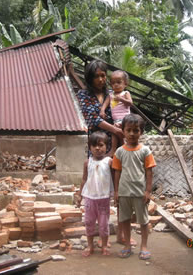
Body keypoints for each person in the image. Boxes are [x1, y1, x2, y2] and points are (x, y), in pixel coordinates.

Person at [76, 60, 136, 247]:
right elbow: (92, 118)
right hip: (97, 150)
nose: (101, 79)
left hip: (117, 149)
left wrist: (121, 132)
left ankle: (120, 234)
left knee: (119, 190)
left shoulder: (113, 94)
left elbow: (124, 112)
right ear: (90, 77)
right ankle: (100, 237)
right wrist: (117, 130)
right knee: (97, 192)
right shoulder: (84, 94)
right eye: (97, 76)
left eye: (103, 76)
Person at [112, 114, 156, 260]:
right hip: (124, 193)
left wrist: (148, 191)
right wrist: (116, 191)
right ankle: (127, 245)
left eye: (135, 130)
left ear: (141, 132)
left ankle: (144, 246)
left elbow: (149, 172)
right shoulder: (119, 152)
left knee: (143, 221)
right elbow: (117, 172)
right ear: (123, 131)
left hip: (139, 193)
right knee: (124, 219)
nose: (131, 134)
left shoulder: (145, 151)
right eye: (128, 130)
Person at [77, 131, 113, 257]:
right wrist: (80, 194)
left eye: (101, 145)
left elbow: (115, 178)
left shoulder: (109, 162)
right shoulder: (88, 163)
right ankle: (90, 246)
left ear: (106, 147)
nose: (97, 148)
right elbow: (84, 179)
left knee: (103, 224)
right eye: (94, 146)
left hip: (104, 198)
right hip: (90, 198)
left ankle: (104, 246)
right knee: (89, 222)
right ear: (90, 147)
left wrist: (116, 193)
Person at [100, 70, 133, 147]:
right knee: (114, 132)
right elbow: (105, 104)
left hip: (126, 118)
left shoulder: (125, 93)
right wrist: (102, 110)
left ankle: (125, 147)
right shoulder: (110, 95)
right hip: (116, 120)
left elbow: (130, 103)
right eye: (113, 83)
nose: (116, 85)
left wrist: (121, 99)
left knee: (125, 134)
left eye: (118, 82)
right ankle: (114, 149)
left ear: (125, 84)